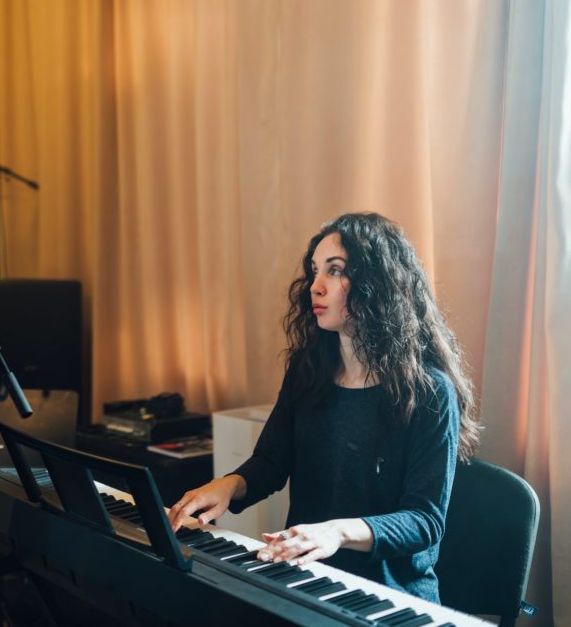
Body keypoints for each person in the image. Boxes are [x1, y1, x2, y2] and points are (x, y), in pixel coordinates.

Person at [168, 212, 480, 603]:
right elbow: (270, 462)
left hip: (389, 597)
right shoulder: (308, 370)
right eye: (315, 271)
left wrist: (336, 532)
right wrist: (226, 487)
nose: (315, 286)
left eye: (334, 271)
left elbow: (424, 520)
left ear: (377, 283)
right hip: (306, 578)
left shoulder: (430, 392)